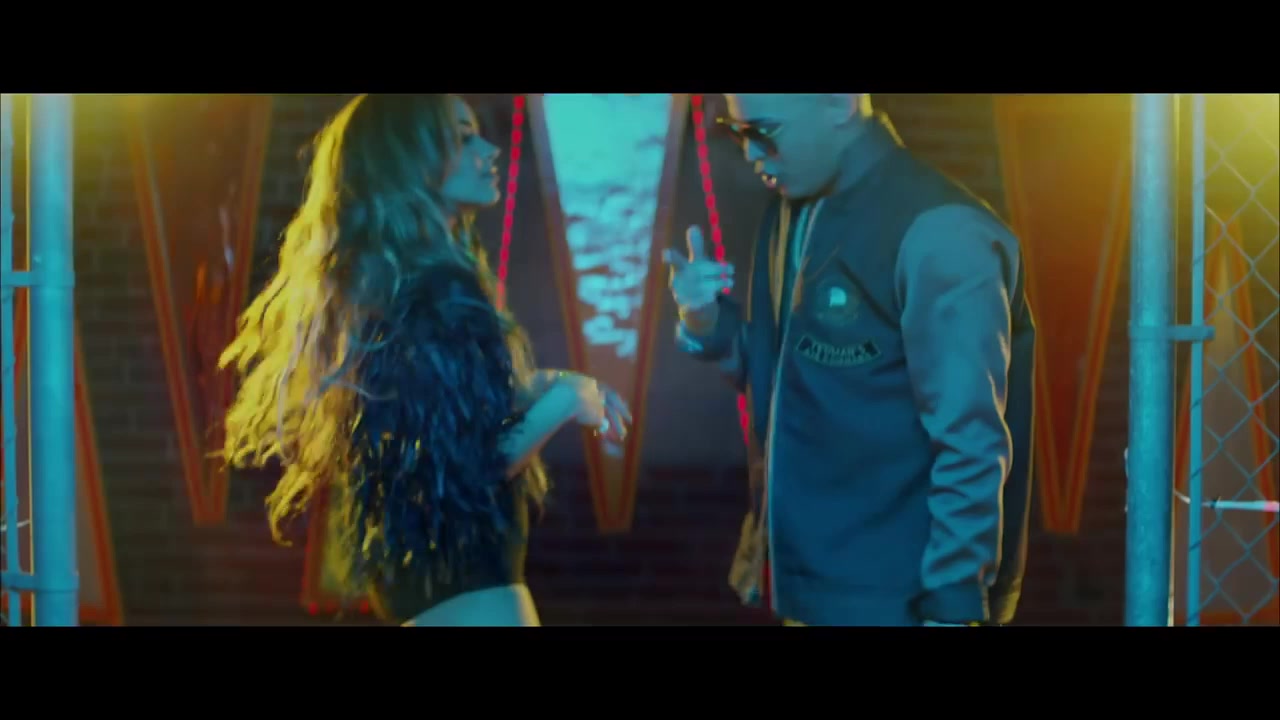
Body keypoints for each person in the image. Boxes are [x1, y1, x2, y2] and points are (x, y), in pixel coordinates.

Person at [219, 94, 631, 626]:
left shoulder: (397, 290)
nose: (490, 150)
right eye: (462, 137)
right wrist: (566, 401)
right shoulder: (439, 290)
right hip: (474, 601)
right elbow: (473, 467)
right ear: (409, 157)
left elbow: (458, 419)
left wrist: (548, 384)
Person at [666, 93, 1035, 627]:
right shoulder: (793, 209)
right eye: (737, 132)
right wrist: (703, 320)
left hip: (900, 604)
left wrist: (953, 609)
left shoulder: (940, 231)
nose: (750, 153)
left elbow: (970, 444)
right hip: (808, 590)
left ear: (839, 103)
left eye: (764, 132)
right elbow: (783, 383)